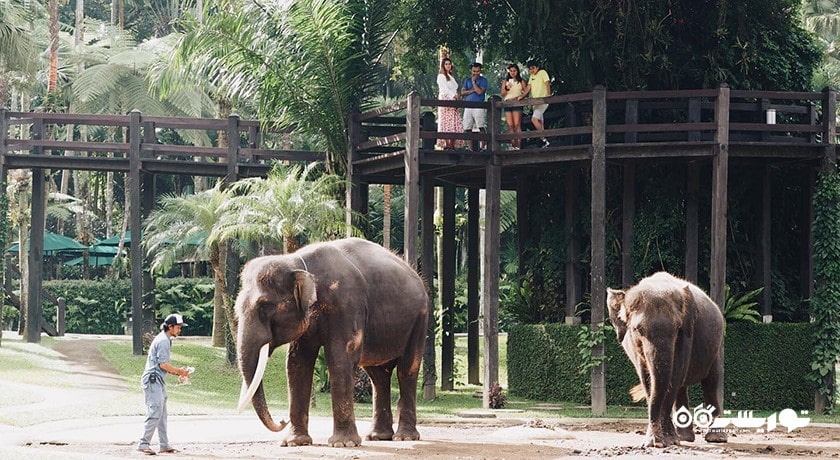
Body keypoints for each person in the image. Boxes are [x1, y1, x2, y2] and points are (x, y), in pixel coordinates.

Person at [137, 313, 192, 455]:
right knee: (155, 412)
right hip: (153, 380)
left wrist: (178, 372)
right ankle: (143, 444)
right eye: (178, 327)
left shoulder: (166, 339)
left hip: (158, 381)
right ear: (170, 327)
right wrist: (180, 372)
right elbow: (163, 365)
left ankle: (164, 445)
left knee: (162, 414)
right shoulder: (163, 341)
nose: (180, 329)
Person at [436, 56, 464, 149]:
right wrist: (453, 96)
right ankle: (447, 145)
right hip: (446, 98)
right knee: (447, 122)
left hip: (454, 99)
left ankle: (453, 145)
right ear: (443, 66)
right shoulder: (441, 76)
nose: (448, 66)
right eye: (446, 64)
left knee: (454, 122)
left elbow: (454, 88)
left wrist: (456, 97)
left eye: (449, 64)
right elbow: (444, 89)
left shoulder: (451, 76)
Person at [500, 64, 529, 150]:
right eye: (511, 71)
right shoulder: (506, 81)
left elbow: (526, 92)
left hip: (517, 103)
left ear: (517, 71)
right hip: (507, 103)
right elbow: (503, 94)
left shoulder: (521, 81)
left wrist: (520, 97)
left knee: (517, 124)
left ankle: (518, 145)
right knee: (510, 125)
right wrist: (507, 88)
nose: (513, 73)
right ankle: (513, 145)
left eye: (514, 71)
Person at [461, 62, 488, 150]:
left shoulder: (483, 80)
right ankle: (470, 147)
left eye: (477, 71)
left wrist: (474, 83)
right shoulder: (467, 80)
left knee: (481, 126)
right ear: (471, 71)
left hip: (478, 105)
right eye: (474, 71)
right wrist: (473, 90)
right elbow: (462, 92)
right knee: (467, 127)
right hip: (468, 106)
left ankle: (482, 146)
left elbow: (480, 91)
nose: (475, 73)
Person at [527, 60, 551, 148]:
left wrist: (548, 94)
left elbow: (547, 83)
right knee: (540, 121)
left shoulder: (542, 72)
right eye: (530, 69)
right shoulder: (531, 76)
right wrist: (522, 96)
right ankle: (544, 141)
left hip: (543, 100)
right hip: (535, 102)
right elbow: (528, 87)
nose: (532, 70)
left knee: (534, 119)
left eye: (533, 68)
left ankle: (544, 139)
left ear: (537, 67)